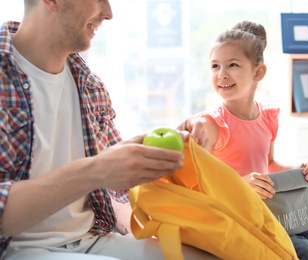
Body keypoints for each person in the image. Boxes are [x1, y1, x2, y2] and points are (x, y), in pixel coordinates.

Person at [0, 1, 218, 259]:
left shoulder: (89, 84)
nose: (108, 13)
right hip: (16, 248)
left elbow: (118, 177)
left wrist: (175, 142)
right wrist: (96, 170)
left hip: (92, 239)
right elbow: (102, 169)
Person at [199, 20, 308, 260]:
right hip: (235, 216)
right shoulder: (212, 124)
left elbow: (269, 164)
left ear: (258, 72)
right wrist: (240, 184)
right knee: (307, 251)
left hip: (269, 212)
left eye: (232, 64)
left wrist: (299, 171)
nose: (221, 74)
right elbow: (198, 184)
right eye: (215, 66)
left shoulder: (267, 117)